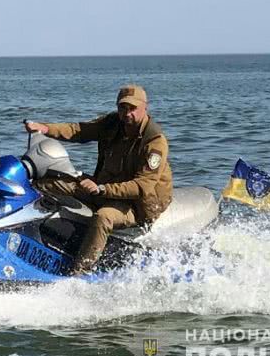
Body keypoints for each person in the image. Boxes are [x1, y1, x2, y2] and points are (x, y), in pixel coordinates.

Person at [25, 85, 172, 274]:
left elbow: (142, 186)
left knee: (103, 217)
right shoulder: (113, 124)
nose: (127, 113)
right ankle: (31, 237)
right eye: (123, 108)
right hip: (105, 187)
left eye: (133, 108)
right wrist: (45, 128)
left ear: (145, 107)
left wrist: (101, 189)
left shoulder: (154, 141)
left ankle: (80, 272)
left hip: (138, 204)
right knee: (48, 183)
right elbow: (80, 130)